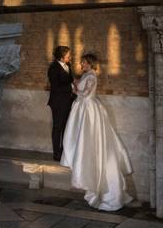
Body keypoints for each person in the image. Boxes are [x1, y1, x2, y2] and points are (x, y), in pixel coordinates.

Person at [60, 53, 133, 211]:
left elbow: (85, 94)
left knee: (90, 139)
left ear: (90, 64)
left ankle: (101, 187)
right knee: (76, 139)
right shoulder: (86, 75)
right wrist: (74, 84)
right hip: (81, 109)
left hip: (88, 110)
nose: (81, 64)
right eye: (81, 62)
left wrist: (73, 85)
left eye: (84, 62)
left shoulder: (92, 76)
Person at [47, 45, 75, 161]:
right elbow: (56, 87)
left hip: (68, 101)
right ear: (62, 57)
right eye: (68, 55)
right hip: (58, 102)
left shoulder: (68, 65)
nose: (70, 57)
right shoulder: (53, 68)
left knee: (66, 127)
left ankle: (64, 151)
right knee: (57, 128)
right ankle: (56, 154)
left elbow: (70, 80)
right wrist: (71, 87)